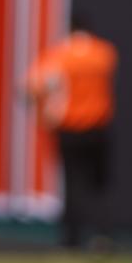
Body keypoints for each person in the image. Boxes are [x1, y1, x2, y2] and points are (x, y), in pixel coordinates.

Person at [26, 18, 118, 251]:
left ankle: (72, 240)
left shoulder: (59, 55)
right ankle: (102, 236)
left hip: (69, 129)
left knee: (73, 184)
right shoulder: (104, 53)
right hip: (98, 129)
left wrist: (43, 111)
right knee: (98, 184)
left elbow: (32, 86)